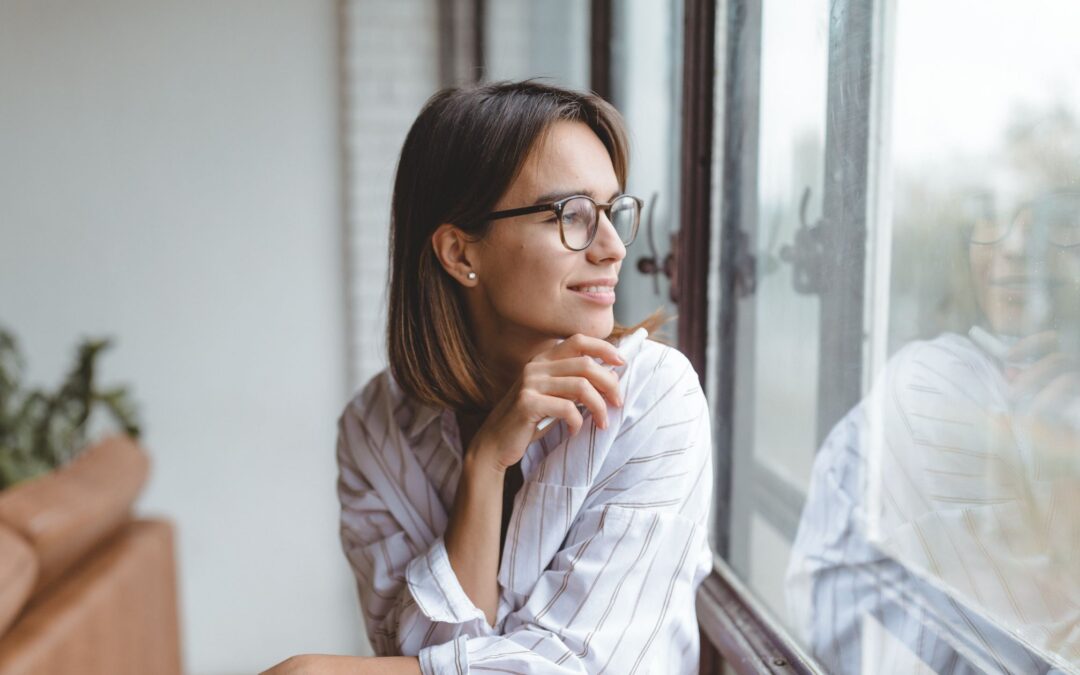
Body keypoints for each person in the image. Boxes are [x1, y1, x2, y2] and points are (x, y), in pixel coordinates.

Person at [263, 81, 714, 674]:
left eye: (612, 212)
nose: (611, 248)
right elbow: (415, 650)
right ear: (460, 253)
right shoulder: (376, 431)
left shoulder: (652, 396)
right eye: (571, 215)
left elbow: (583, 667)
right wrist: (484, 466)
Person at [786, 183, 1080, 674]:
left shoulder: (1048, 389)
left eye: (1053, 221)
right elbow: (1048, 636)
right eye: (993, 218)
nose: (1013, 246)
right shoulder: (931, 380)